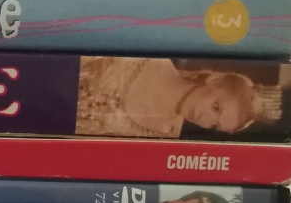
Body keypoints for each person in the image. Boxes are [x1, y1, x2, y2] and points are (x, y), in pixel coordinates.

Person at [76, 56, 285, 139]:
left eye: (215, 125)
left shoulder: (163, 138)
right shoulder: (152, 59)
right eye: (216, 108)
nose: (204, 119)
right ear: (214, 79)